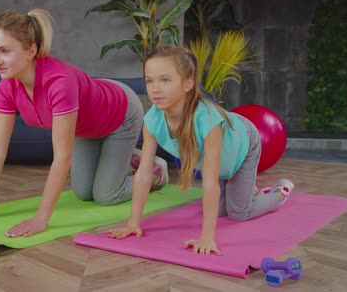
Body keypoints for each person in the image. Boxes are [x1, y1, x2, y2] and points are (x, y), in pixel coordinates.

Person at [0, 8, 168, 238]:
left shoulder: (59, 82)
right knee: (83, 192)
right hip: (87, 125)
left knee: (106, 195)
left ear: (31, 50)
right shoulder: (8, 86)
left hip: (120, 113)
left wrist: (41, 219)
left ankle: (154, 170)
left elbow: (62, 156)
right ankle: (126, 159)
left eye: (4, 51)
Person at [108, 45, 294, 255]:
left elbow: (210, 179)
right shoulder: (152, 119)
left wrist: (207, 238)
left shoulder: (207, 119)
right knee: (222, 211)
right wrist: (133, 223)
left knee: (238, 213)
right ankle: (247, 190)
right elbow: (143, 172)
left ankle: (279, 192)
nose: (155, 88)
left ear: (188, 83)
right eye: (149, 80)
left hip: (244, 146)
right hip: (223, 162)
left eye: (165, 80)